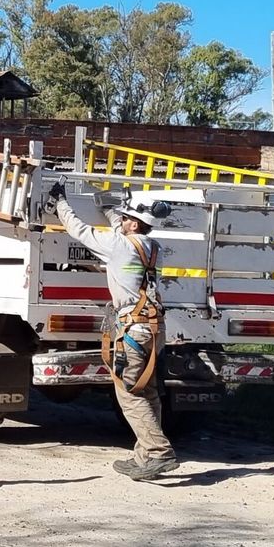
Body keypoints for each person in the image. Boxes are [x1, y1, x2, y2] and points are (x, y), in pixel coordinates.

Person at [50, 181, 177, 481]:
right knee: (147, 392)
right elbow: (122, 232)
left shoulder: (119, 246)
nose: (122, 220)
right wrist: (109, 211)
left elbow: (79, 231)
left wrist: (60, 203)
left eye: (125, 217)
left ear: (133, 223)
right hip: (153, 329)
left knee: (129, 393)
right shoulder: (151, 247)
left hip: (134, 329)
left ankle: (159, 452)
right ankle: (144, 457)